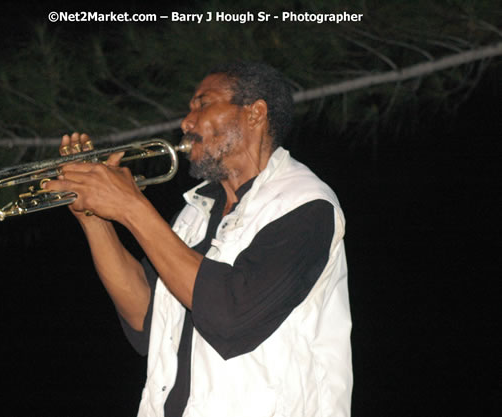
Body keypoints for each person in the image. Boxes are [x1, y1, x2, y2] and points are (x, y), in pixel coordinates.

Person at [44, 61, 352, 417]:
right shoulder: (196, 211)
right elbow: (147, 317)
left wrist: (132, 207)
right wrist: (93, 218)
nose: (186, 123)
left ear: (255, 114)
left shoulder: (306, 205)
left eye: (202, 104)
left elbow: (231, 317)